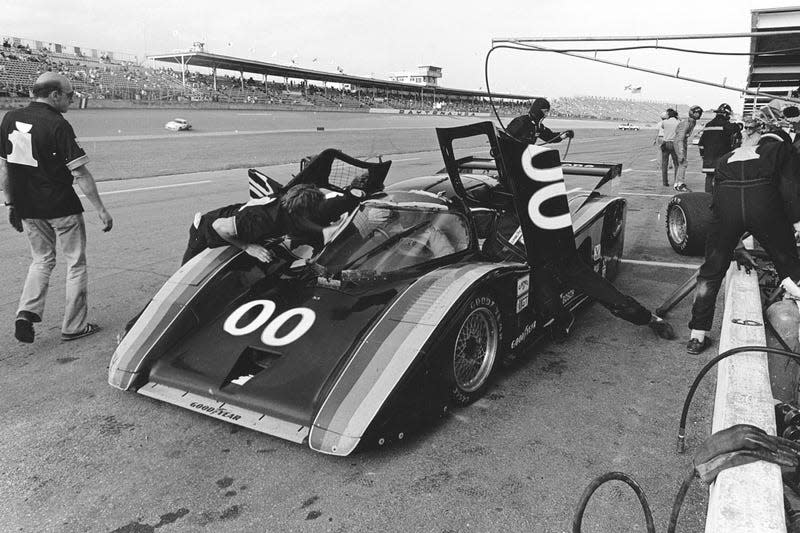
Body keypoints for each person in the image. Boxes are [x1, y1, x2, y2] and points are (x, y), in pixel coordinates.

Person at [1, 72, 113, 344]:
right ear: (55, 95)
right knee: (75, 263)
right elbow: (81, 174)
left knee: (41, 261)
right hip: (61, 206)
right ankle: (74, 326)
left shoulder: (9, 118)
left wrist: (10, 203)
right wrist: (100, 209)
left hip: (28, 207)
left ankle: (26, 312)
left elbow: (5, 168)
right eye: (70, 95)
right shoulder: (58, 124)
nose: (72, 100)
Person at [687, 110, 800, 354]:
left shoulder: (728, 156)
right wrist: (797, 223)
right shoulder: (782, 149)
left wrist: (735, 245)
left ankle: (697, 335)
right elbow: (791, 187)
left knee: (711, 270)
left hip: (726, 206)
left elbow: (719, 204)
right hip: (764, 202)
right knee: (788, 267)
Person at [182, 183, 362, 264]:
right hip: (206, 229)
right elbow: (219, 226)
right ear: (301, 211)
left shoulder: (293, 198)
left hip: (240, 221)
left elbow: (319, 191)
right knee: (186, 276)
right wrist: (247, 247)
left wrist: (324, 229)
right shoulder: (263, 220)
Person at [698, 103, 741, 193]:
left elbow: (701, 143)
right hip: (721, 158)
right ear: (726, 114)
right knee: (722, 179)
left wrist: (703, 155)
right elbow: (735, 128)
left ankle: (708, 198)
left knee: (709, 178)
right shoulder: (725, 125)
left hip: (708, 158)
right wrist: (740, 125)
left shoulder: (708, 125)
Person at [505, 98, 574, 145]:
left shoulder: (538, 126)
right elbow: (505, 139)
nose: (546, 115)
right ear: (537, 110)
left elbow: (549, 137)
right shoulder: (520, 121)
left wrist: (564, 135)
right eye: (545, 111)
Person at [673, 105, 704, 192]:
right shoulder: (687, 123)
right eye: (697, 113)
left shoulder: (692, 122)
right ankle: (679, 184)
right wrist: (681, 150)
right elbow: (680, 138)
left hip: (682, 141)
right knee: (683, 163)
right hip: (680, 142)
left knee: (682, 163)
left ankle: (677, 183)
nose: (699, 115)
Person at [660, 108, 680, 187]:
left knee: (664, 164)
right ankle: (676, 181)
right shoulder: (678, 122)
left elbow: (662, 127)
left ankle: (665, 182)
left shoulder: (665, 122)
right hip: (674, 143)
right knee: (676, 164)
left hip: (665, 143)